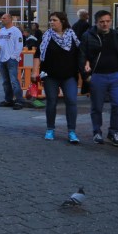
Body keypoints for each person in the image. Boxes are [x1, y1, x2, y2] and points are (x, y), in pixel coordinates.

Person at [32, 12, 84, 144]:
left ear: (62, 21)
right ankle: (50, 129)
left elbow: (80, 53)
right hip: (50, 75)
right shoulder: (46, 36)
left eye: (54, 20)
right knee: (52, 102)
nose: (51, 22)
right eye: (50, 20)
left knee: (71, 101)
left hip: (69, 75)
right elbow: (38, 54)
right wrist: (34, 71)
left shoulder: (72, 36)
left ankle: (72, 131)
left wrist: (82, 70)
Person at [80, 10, 118, 147]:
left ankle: (113, 132)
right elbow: (82, 56)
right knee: (97, 106)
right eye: (102, 22)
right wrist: (87, 76)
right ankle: (97, 131)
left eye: (107, 21)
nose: (105, 24)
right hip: (97, 76)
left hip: (116, 75)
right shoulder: (88, 36)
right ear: (96, 22)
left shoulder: (117, 35)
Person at [0, 11, 26, 110]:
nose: (2, 19)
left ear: (10, 19)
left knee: (14, 81)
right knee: (5, 81)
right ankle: (8, 99)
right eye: (2, 18)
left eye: (4, 18)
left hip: (11, 59)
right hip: (2, 58)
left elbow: (19, 45)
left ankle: (19, 100)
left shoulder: (15, 31)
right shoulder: (1, 31)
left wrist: (13, 56)